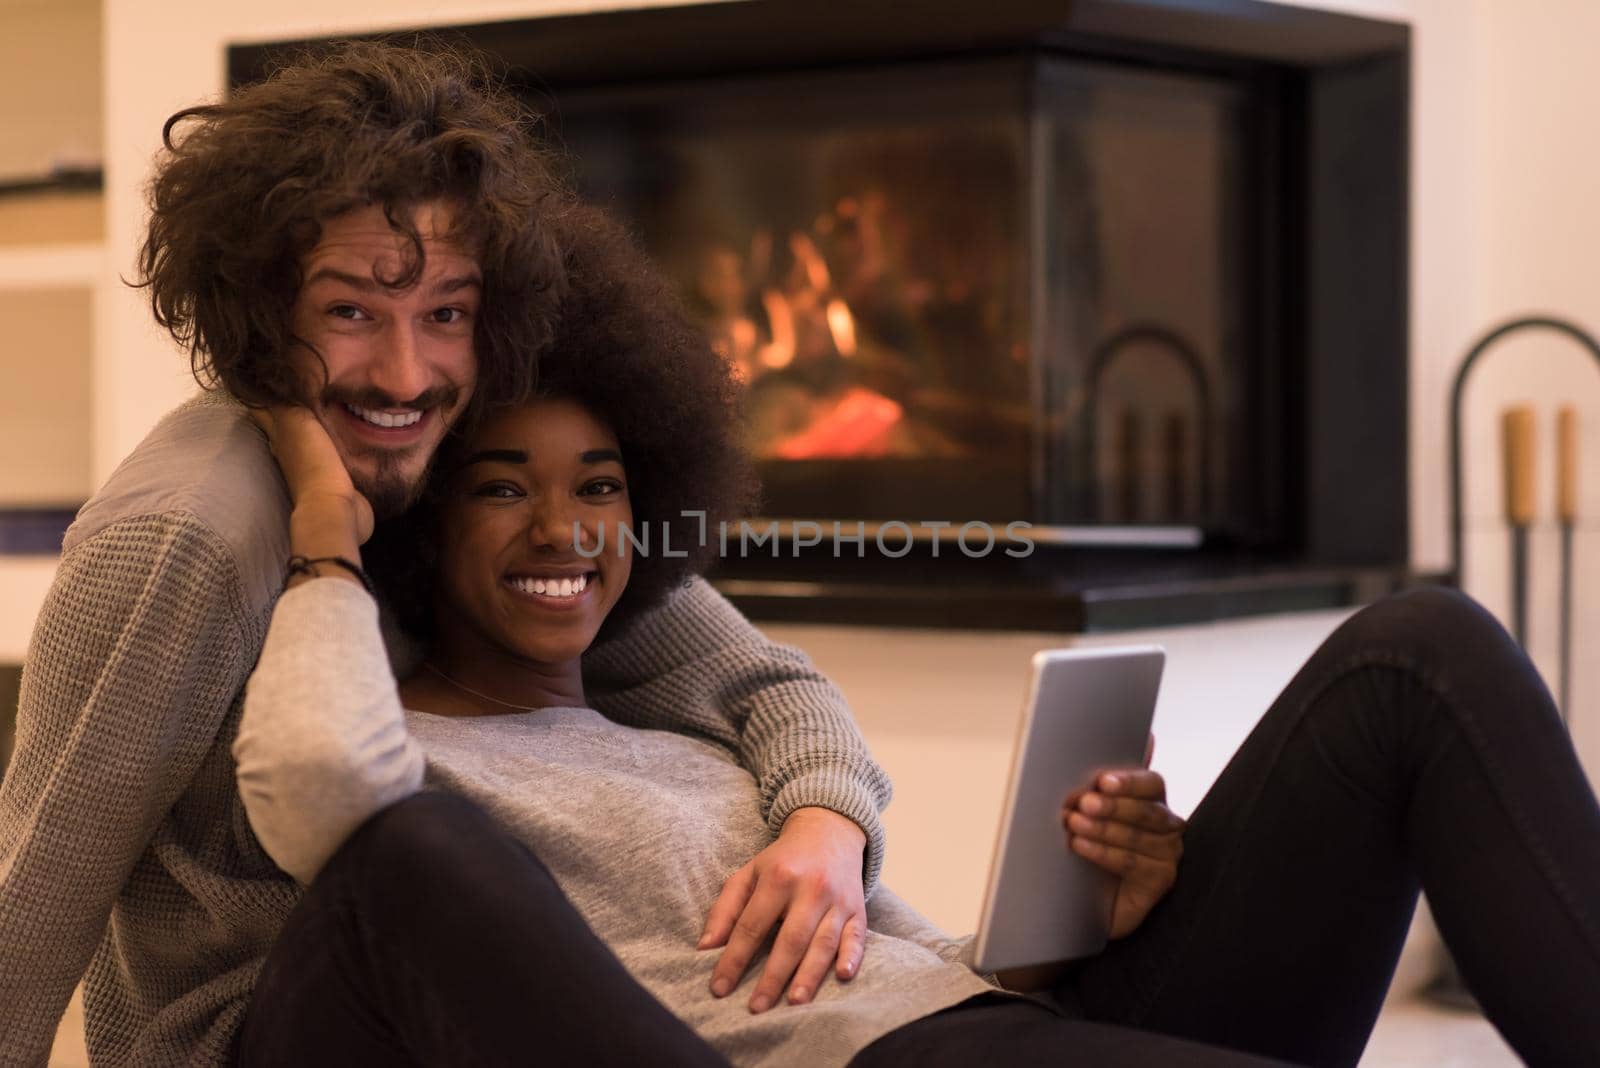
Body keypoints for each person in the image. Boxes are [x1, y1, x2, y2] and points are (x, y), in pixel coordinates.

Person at [236, 204, 1600, 1068]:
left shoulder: (667, 707)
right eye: (499, 486)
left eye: (600, 486)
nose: (564, 529)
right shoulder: (414, 780)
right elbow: (323, 778)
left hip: (990, 1013)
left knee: (1419, 648)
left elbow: (895, 945)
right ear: (419, 525)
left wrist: (1083, 928)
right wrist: (321, 514)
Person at [0, 44, 894, 1065]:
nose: (403, 370)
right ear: (259, 304)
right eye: (350, 313)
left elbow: (753, 681)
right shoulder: (185, 540)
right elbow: (31, 898)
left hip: (453, 1011)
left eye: (446, 316)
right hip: (270, 1030)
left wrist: (827, 822)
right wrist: (326, 544)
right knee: (417, 846)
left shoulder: (436, 447)